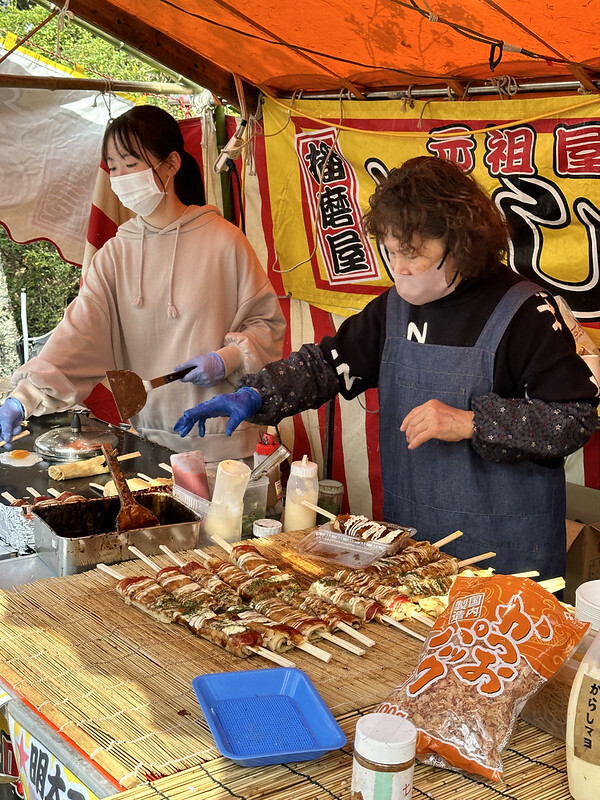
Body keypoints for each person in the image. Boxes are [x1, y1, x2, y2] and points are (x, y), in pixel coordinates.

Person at [173, 156, 599, 579]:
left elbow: (575, 418)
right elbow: (326, 364)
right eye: (392, 251)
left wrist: (471, 422)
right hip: (413, 547)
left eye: (413, 253)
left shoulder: (525, 311)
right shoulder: (394, 309)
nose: (400, 268)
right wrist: (257, 394)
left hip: (504, 557)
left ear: (462, 240)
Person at [0, 105, 285, 461]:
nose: (120, 177)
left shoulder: (225, 241)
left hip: (228, 447)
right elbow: (76, 337)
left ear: (171, 164)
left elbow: (267, 325)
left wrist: (226, 358)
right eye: (113, 166)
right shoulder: (114, 256)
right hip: (149, 447)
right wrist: (22, 397)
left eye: (130, 163)